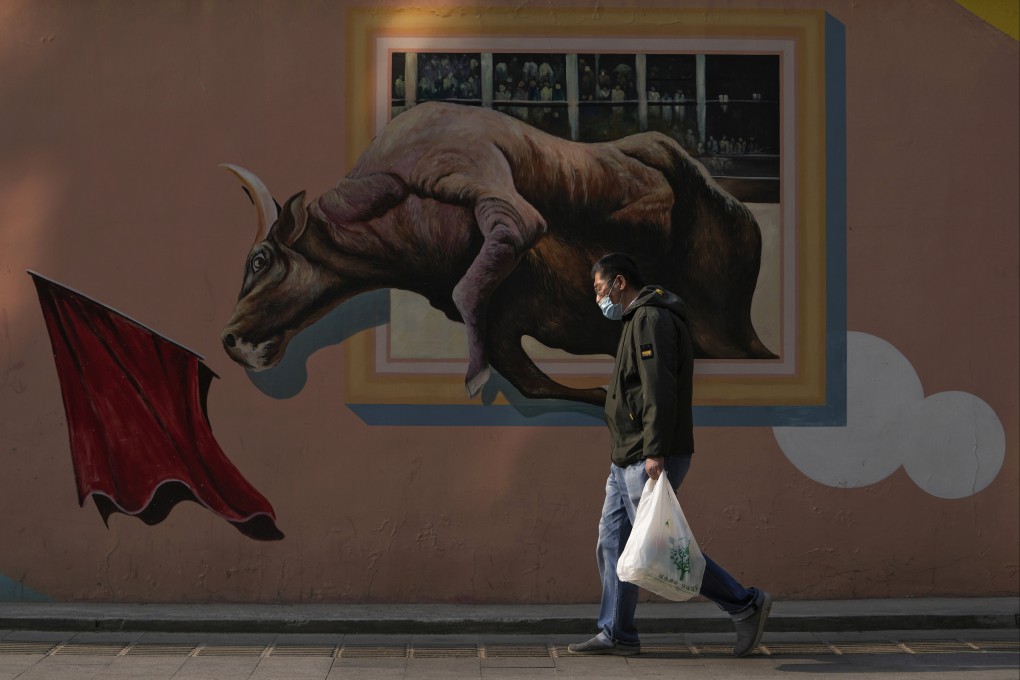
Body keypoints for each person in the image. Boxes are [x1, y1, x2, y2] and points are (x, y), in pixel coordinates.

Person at [568, 252, 772, 658]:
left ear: (620, 283)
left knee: (664, 546)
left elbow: (657, 387)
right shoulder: (636, 319)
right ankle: (616, 632)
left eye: (600, 289)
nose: (598, 299)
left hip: (647, 454)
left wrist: (655, 451)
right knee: (613, 541)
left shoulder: (650, 319)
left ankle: (745, 604)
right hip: (626, 455)